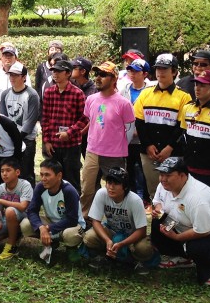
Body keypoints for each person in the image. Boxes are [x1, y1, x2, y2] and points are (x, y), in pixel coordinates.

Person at [151, 157, 210, 285]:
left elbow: (203, 231)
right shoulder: (164, 186)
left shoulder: (197, 197)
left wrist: (177, 237)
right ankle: (183, 257)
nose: (163, 179)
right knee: (158, 222)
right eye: (161, 174)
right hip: (185, 224)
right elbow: (157, 202)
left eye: (168, 175)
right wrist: (158, 211)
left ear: (182, 176)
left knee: (195, 247)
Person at [79, 61, 135, 218]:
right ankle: (87, 220)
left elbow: (130, 128)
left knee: (116, 191)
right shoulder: (91, 99)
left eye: (103, 75)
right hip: (92, 152)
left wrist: (121, 145)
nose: (98, 78)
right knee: (87, 189)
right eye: (97, 74)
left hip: (114, 155)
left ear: (113, 79)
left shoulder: (124, 103)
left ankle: (118, 222)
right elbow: (93, 120)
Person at [133, 53, 191, 202]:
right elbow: (139, 122)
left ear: (174, 72)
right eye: (158, 68)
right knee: (155, 194)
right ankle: (158, 224)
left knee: (176, 192)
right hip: (149, 153)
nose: (160, 72)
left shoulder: (184, 97)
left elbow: (182, 126)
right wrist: (148, 145)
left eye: (165, 69)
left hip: (173, 153)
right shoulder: (145, 94)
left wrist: (169, 147)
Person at [83, 167, 155, 270]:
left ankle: (132, 259)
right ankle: (105, 254)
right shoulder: (101, 193)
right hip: (111, 231)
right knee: (89, 237)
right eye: (109, 182)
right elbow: (95, 221)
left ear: (125, 187)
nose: (111, 187)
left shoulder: (135, 200)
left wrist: (122, 243)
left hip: (132, 235)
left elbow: (142, 231)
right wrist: (107, 240)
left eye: (116, 183)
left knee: (144, 248)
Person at [20, 159, 84, 261]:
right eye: (41, 174)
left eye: (47, 175)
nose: (43, 178)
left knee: (70, 235)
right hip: (51, 222)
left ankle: (71, 248)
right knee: (25, 224)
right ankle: (52, 242)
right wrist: (42, 228)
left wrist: (48, 228)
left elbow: (72, 220)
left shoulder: (68, 190)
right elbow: (32, 211)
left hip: (72, 225)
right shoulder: (40, 187)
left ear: (59, 176)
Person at [40, 59, 88, 193]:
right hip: (53, 144)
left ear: (68, 73)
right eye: (53, 71)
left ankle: (73, 209)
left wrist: (70, 132)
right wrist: (47, 141)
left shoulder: (77, 93)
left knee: (71, 178)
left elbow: (84, 117)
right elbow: (45, 117)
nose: (55, 74)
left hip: (71, 144)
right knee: (53, 178)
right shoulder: (49, 92)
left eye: (59, 71)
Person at [0, 159, 33, 261]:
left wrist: (2, 201)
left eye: (8, 170)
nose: (4, 174)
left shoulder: (25, 185)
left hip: (25, 218)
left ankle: (11, 245)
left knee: (9, 210)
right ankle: (15, 234)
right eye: (2, 171)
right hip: (9, 218)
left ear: (17, 172)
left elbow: (23, 207)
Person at [0, 61, 39, 185]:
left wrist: (17, 138)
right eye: (10, 75)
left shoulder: (32, 95)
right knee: (10, 172)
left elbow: (31, 121)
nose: (12, 78)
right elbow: (4, 117)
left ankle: (30, 201)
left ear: (23, 77)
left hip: (26, 139)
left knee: (26, 172)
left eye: (15, 75)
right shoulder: (5, 94)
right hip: (10, 139)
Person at [119, 58, 154, 201]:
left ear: (145, 74)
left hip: (143, 138)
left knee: (145, 169)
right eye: (130, 70)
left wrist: (139, 130)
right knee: (129, 169)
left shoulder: (151, 90)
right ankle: (131, 195)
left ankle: (146, 198)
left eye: (136, 71)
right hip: (127, 138)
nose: (132, 74)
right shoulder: (124, 89)